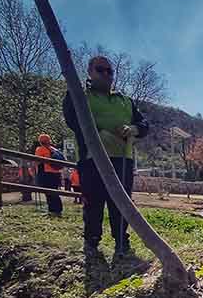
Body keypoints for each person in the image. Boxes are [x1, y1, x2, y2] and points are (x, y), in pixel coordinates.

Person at [63, 56, 149, 257]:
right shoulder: (78, 95)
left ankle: (121, 242)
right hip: (91, 158)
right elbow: (72, 119)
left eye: (109, 71)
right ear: (90, 72)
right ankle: (92, 242)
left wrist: (134, 129)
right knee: (93, 202)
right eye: (100, 69)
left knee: (122, 203)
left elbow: (144, 124)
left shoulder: (125, 101)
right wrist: (97, 134)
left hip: (122, 159)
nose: (106, 74)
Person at [34, 133, 63, 216]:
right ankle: (57, 210)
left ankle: (52, 211)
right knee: (55, 192)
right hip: (56, 173)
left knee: (49, 193)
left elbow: (38, 161)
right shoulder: (54, 149)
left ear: (40, 141)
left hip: (46, 173)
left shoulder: (40, 149)